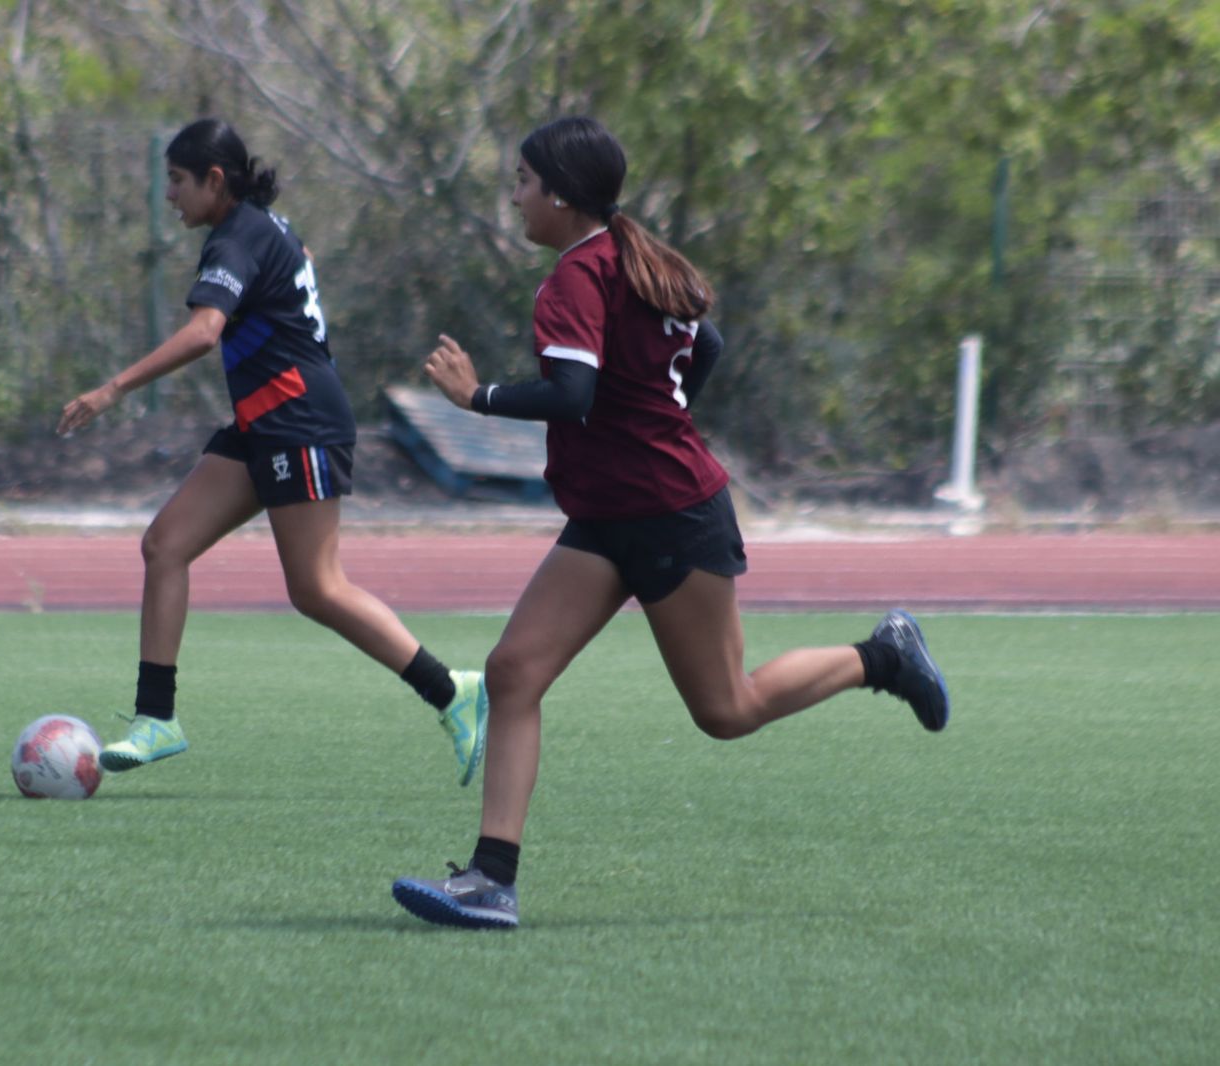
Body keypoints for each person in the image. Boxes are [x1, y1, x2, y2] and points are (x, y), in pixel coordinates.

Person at [390, 116, 949, 929]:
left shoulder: (577, 277)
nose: (513, 196)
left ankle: (884, 656)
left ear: (557, 192)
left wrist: (476, 397)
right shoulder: (628, 258)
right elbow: (706, 345)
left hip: (670, 517)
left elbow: (574, 397)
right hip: (613, 516)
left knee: (727, 709)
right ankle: (491, 880)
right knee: (513, 673)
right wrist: (658, 415)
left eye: (520, 180)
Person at [56, 118, 487, 785]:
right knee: (165, 545)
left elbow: (204, 333)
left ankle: (453, 691)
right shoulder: (263, 226)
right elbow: (296, 266)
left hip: (299, 419)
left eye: (176, 180)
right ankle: (157, 719)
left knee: (317, 588)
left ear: (215, 180)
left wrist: (112, 389)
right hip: (265, 418)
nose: (169, 195)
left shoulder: (237, 238)